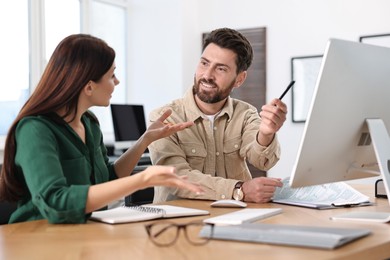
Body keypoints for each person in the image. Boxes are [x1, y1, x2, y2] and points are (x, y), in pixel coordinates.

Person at [0, 34, 202, 224]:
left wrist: (145, 140)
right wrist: (142, 180)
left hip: (84, 234)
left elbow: (108, 179)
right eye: (112, 75)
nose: (117, 82)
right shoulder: (35, 130)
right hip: (34, 238)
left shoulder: (89, 123)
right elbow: (55, 202)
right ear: (89, 87)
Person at [149, 28, 286, 204]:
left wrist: (266, 133)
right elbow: (174, 178)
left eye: (220, 69)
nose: (207, 75)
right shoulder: (164, 117)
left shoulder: (246, 114)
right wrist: (239, 190)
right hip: (179, 224)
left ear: (239, 79)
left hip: (233, 220)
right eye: (204, 63)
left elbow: (262, 162)